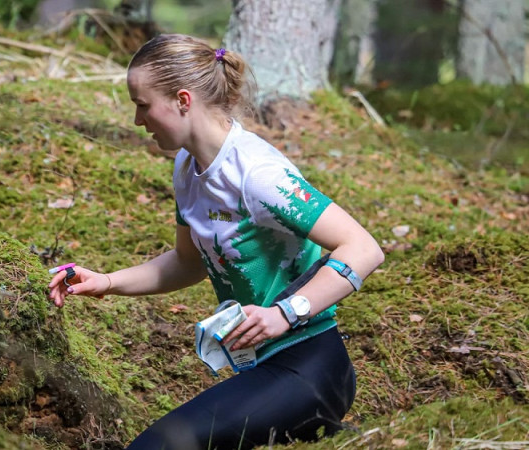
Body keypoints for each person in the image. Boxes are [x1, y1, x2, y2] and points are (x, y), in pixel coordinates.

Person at [48, 34, 385, 450]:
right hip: (261, 367)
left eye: (142, 104)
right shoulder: (187, 168)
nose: (138, 120)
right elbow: (189, 262)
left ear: (183, 100)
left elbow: (364, 248)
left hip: (310, 364)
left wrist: (286, 312)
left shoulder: (258, 176)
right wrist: (108, 281)